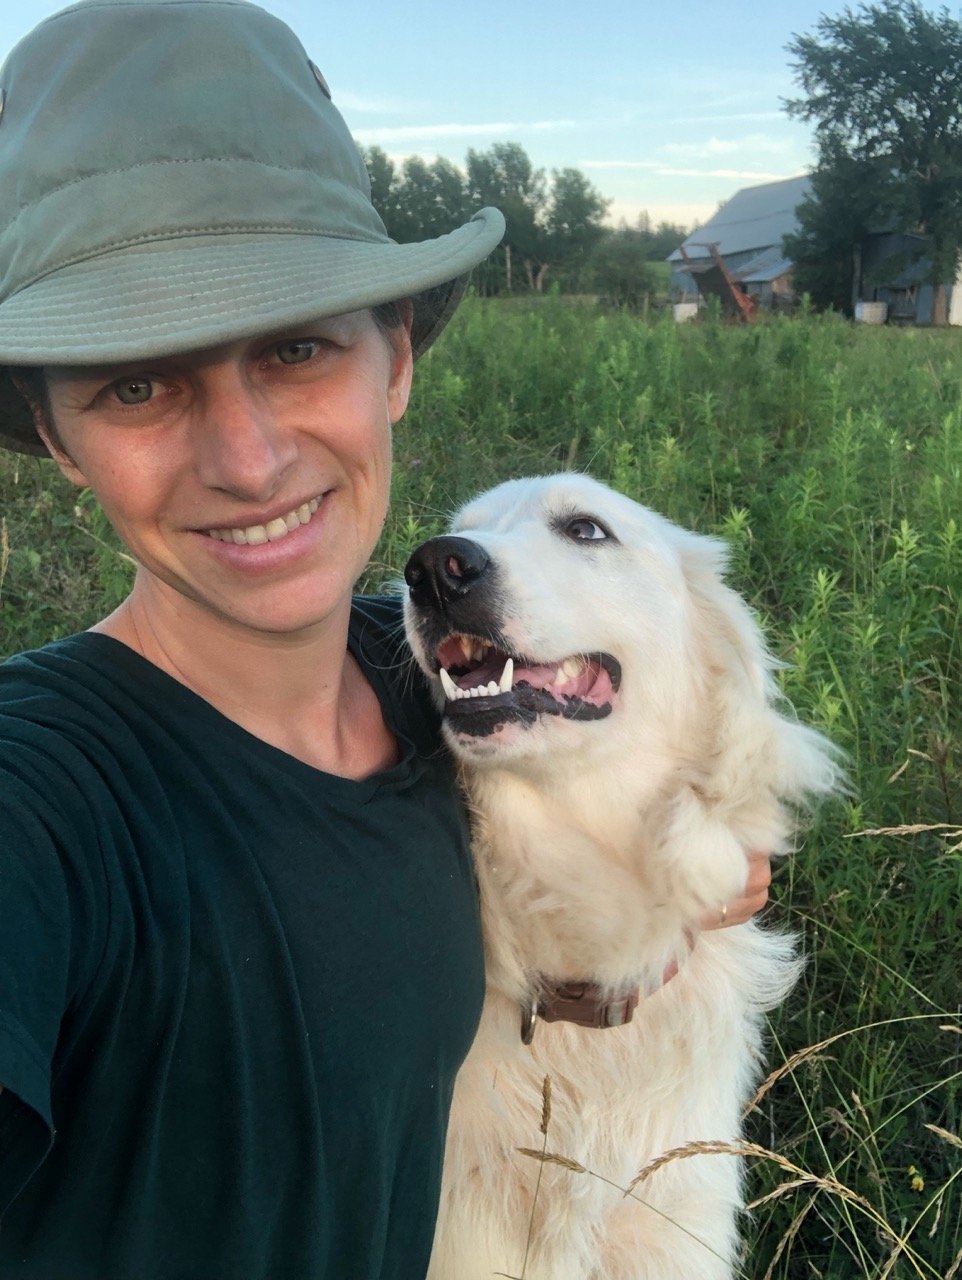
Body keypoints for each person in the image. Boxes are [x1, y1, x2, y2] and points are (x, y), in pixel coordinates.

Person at [0, 3, 771, 1277]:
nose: (246, 461)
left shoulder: (436, 681)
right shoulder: (47, 790)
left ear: (395, 357)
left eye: (297, 347)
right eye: (134, 381)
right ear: (54, 434)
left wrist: (705, 859)